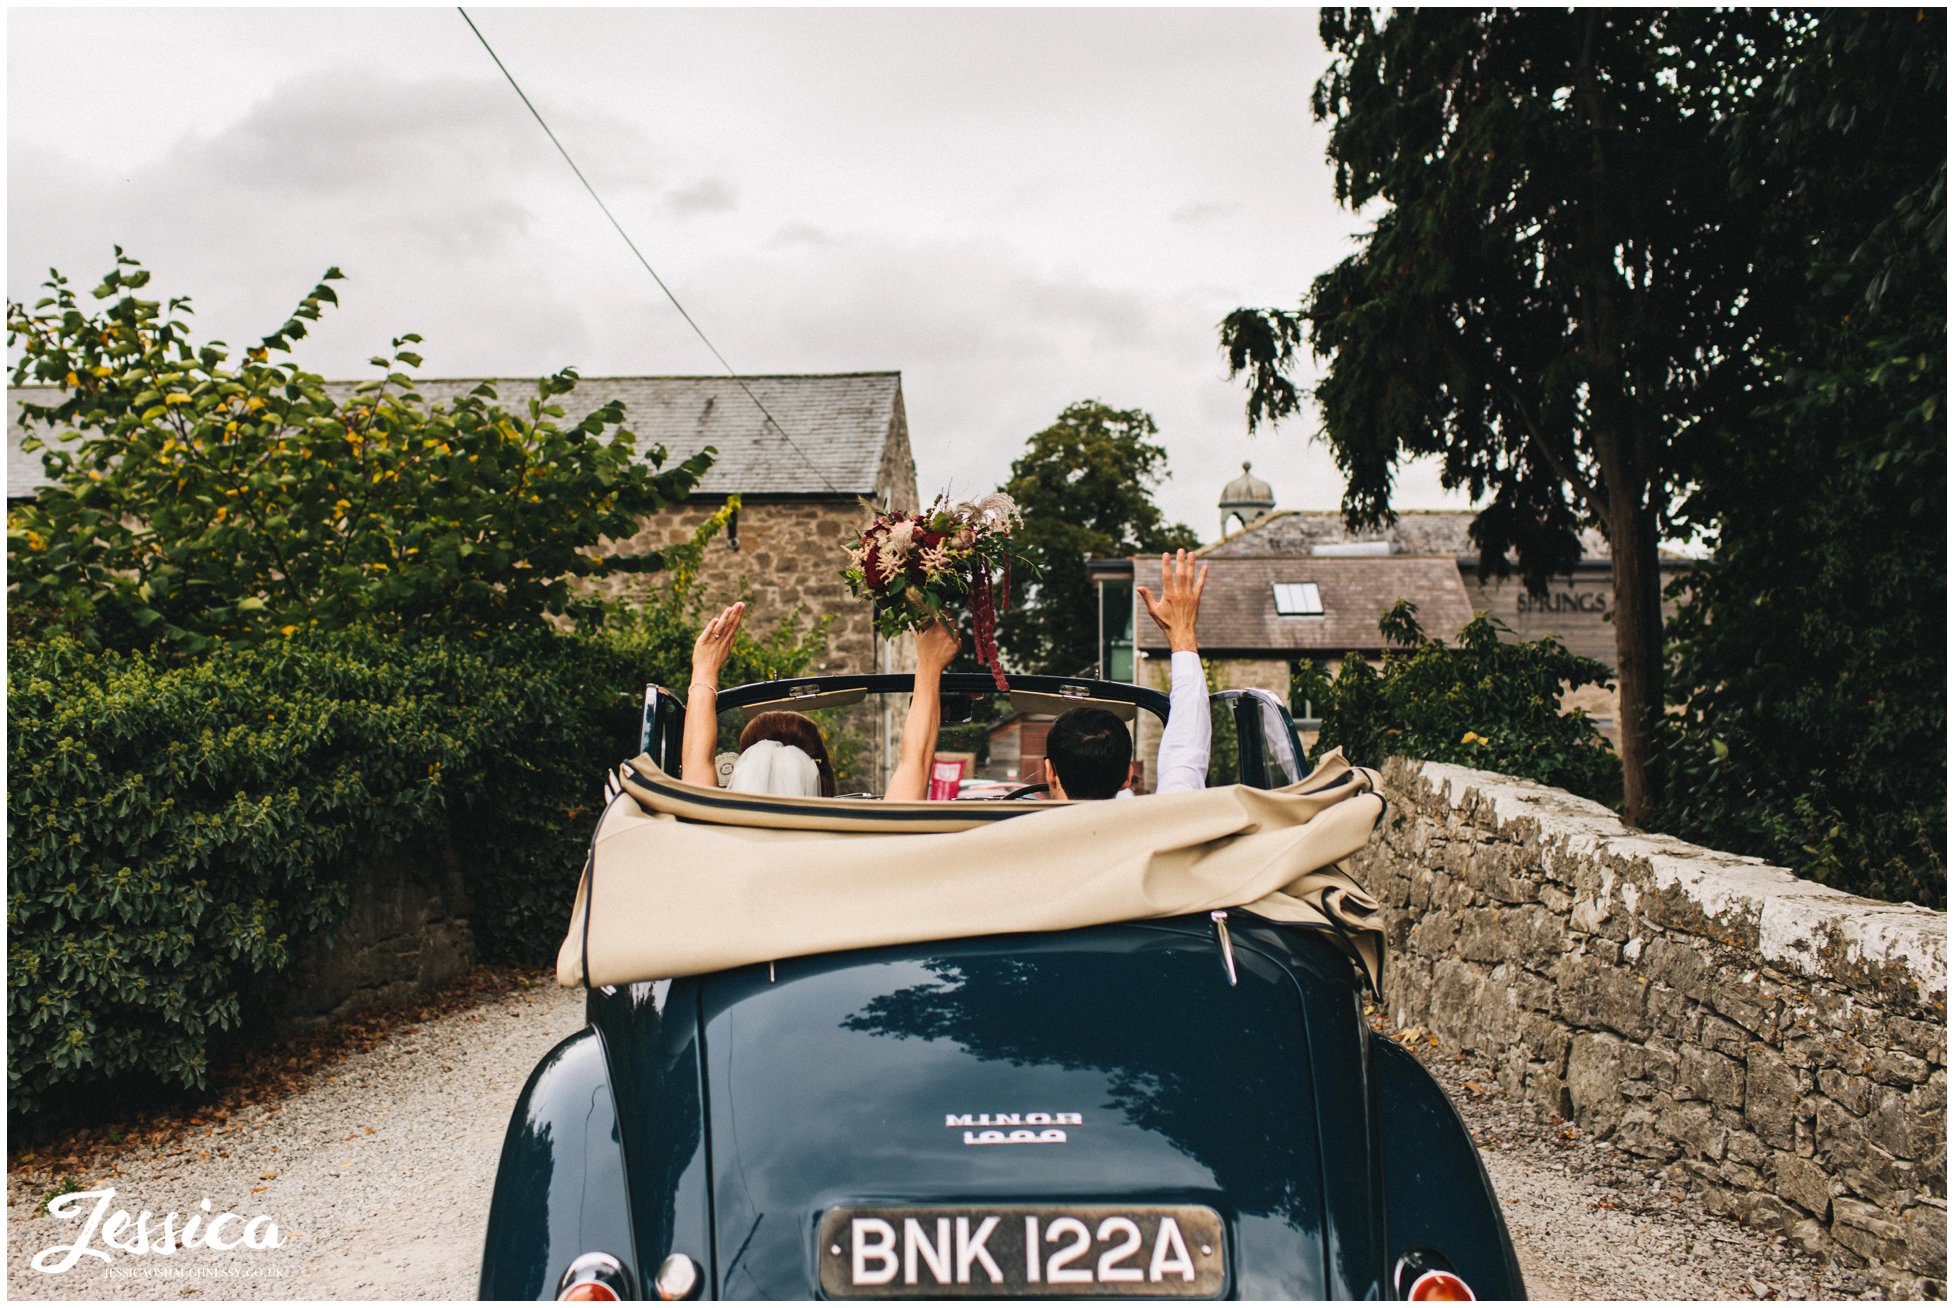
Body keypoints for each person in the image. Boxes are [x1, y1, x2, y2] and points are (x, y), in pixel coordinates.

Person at [680, 600, 961, 800]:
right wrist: (930, 664)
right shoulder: (862, 843)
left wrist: (704, 668)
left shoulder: (709, 826)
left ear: (744, 765)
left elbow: (696, 761)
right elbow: (915, 764)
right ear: (820, 771)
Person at [1043, 549, 1210, 801]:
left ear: (1049, 773)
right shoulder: (1167, 826)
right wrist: (1181, 631)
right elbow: (1185, 749)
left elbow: (1186, 749)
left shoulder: (1013, 839)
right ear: (1128, 776)